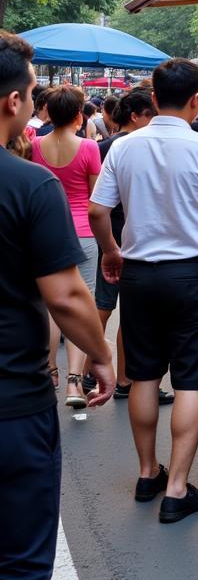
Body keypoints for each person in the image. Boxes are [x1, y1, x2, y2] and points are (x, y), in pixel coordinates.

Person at [89, 59, 198, 523]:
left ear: (154, 95)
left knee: (143, 375)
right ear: (194, 98)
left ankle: (148, 474)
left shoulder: (124, 147)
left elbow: (98, 211)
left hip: (140, 274)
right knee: (191, 379)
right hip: (193, 275)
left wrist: (110, 253)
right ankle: (178, 489)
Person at [0, 29, 114, 580]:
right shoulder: (28, 185)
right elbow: (68, 297)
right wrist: (100, 355)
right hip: (12, 403)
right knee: (19, 567)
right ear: (13, 103)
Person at [94, 89, 173, 405]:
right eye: (149, 114)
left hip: (110, 235)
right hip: (128, 235)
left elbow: (96, 202)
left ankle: (96, 367)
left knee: (107, 305)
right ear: (136, 115)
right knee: (128, 312)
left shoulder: (106, 147)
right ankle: (118, 374)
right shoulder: (135, 147)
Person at [31, 85, 102, 408]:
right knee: (80, 304)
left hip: (45, 230)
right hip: (84, 233)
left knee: (50, 304)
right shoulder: (88, 148)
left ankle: (49, 372)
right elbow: (94, 197)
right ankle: (75, 383)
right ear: (78, 115)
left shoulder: (33, 145)